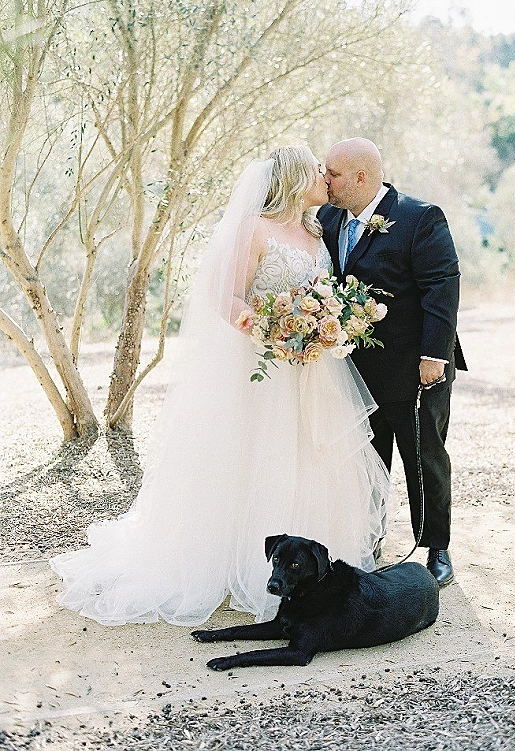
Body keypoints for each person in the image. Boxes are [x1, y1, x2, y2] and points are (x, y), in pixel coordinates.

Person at [50, 146, 396, 627]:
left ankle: (311, 568)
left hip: (312, 371)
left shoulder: (318, 230)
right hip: (263, 368)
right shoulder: (254, 229)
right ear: (296, 179)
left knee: (311, 459)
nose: (325, 177)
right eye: (318, 170)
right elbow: (225, 296)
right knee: (259, 460)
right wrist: (272, 330)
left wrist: (324, 325)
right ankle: (243, 565)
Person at [318, 138, 467, 587]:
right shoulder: (327, 219)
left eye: (333, 174)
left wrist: (434, 356)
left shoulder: (420, 217)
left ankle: (435, 547)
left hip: (416, 369)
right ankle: (369, 539)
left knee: (423, 458)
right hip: (353, 372)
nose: (325, 181)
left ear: (361, 177)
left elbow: (443, 285)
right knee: (366, 460)